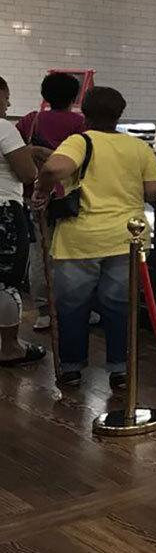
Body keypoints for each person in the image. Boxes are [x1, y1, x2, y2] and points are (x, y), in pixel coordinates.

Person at [33, 87, 156, 389]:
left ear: (85, 113)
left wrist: (44, 188)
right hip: (127, 237)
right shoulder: (137, 148)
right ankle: (120, 368)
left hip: (81, 238)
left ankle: (72, 367)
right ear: (120, 113)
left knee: (73, 306)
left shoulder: (81, 141)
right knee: (120, 305)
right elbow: (155, 190)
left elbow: (54, 166)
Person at [16, 72, 87, 331]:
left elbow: (13, 150)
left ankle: (44, 311)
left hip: (36, 194)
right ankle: (74, 308)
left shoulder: (30, 121)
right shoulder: (80, 123)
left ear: (45, 95)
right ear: (74, 97)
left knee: (40, 253)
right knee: (73, 254)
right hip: (71, 196)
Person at [0, 77, 46, 368]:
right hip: (3, 210)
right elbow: (28, 174)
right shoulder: (3, 128)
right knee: (5, 283)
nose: (8, 104)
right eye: (5, 98)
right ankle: (9, 347)